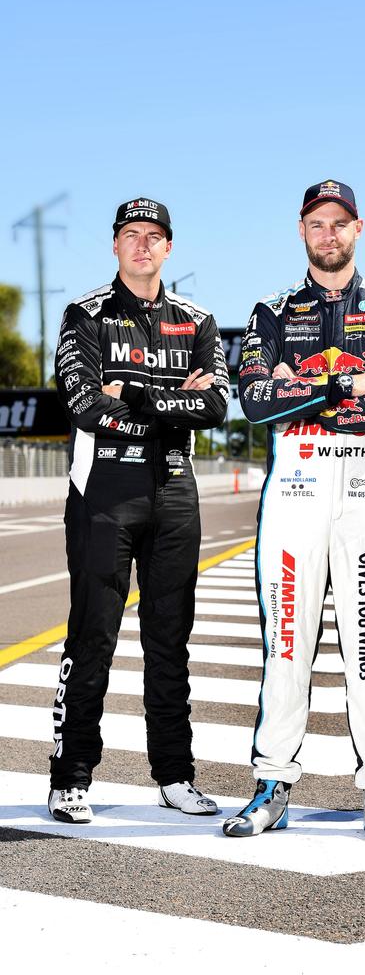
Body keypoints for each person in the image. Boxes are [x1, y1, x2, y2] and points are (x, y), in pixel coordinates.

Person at [223, 179, 365, 842]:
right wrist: (347, 383)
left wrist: (299, 384)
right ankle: (272, 784)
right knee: (286, 647)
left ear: (358, 228)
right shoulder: (271, 310)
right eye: (317, 223)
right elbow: (255, 402)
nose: (328, 233)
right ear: (302, 230)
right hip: (296, 495)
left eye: (339, 223)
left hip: (364, 498)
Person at [49, 197, 230, 823]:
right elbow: (84, 408)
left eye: (154, 237)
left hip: (175, 490)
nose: (143, 246)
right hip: (103, 490)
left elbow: (215, 410)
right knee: (93, 635)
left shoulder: (197, 320)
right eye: (131, 236)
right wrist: (171, 402)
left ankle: (175, 777)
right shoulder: (86, 314)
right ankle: (70, 777)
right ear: (115, 245)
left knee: (170, 641)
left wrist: (133, 396)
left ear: (170, 248)